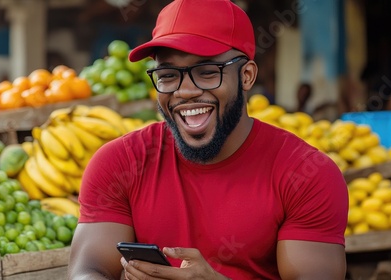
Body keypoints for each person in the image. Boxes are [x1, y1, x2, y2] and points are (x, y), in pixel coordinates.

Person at [68, 0, 348, 279]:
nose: (185, 91)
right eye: (168, 75)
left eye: (207, 72)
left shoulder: (308, 174)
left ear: (247, 76)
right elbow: (88, 270)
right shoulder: (119, 162)